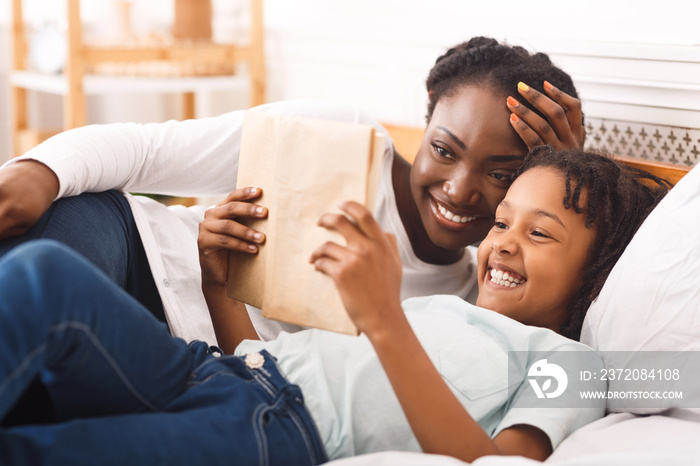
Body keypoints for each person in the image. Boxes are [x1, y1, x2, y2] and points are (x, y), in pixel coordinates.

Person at [0, 147, 669, 464]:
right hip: (216, 375)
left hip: (277, 432)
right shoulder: (455, 307)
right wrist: (218, 287)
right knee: (44, 275)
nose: (503, 242)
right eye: (502, 222)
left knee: (46, 451)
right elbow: (261, 359)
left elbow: (496, 463)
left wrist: (382, 322)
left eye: (539, 232)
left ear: (599, 269)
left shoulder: (570, 362)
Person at [0, 37, 585, 344]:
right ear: (426, 122)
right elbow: (150, 149)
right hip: (131, 248)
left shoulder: (474, 298)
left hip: (181, 359)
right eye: (444, 149)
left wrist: (568, 175)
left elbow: (562, 341)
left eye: (501, 173)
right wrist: (39, 173)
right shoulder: (344, 130)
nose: (459, 188)